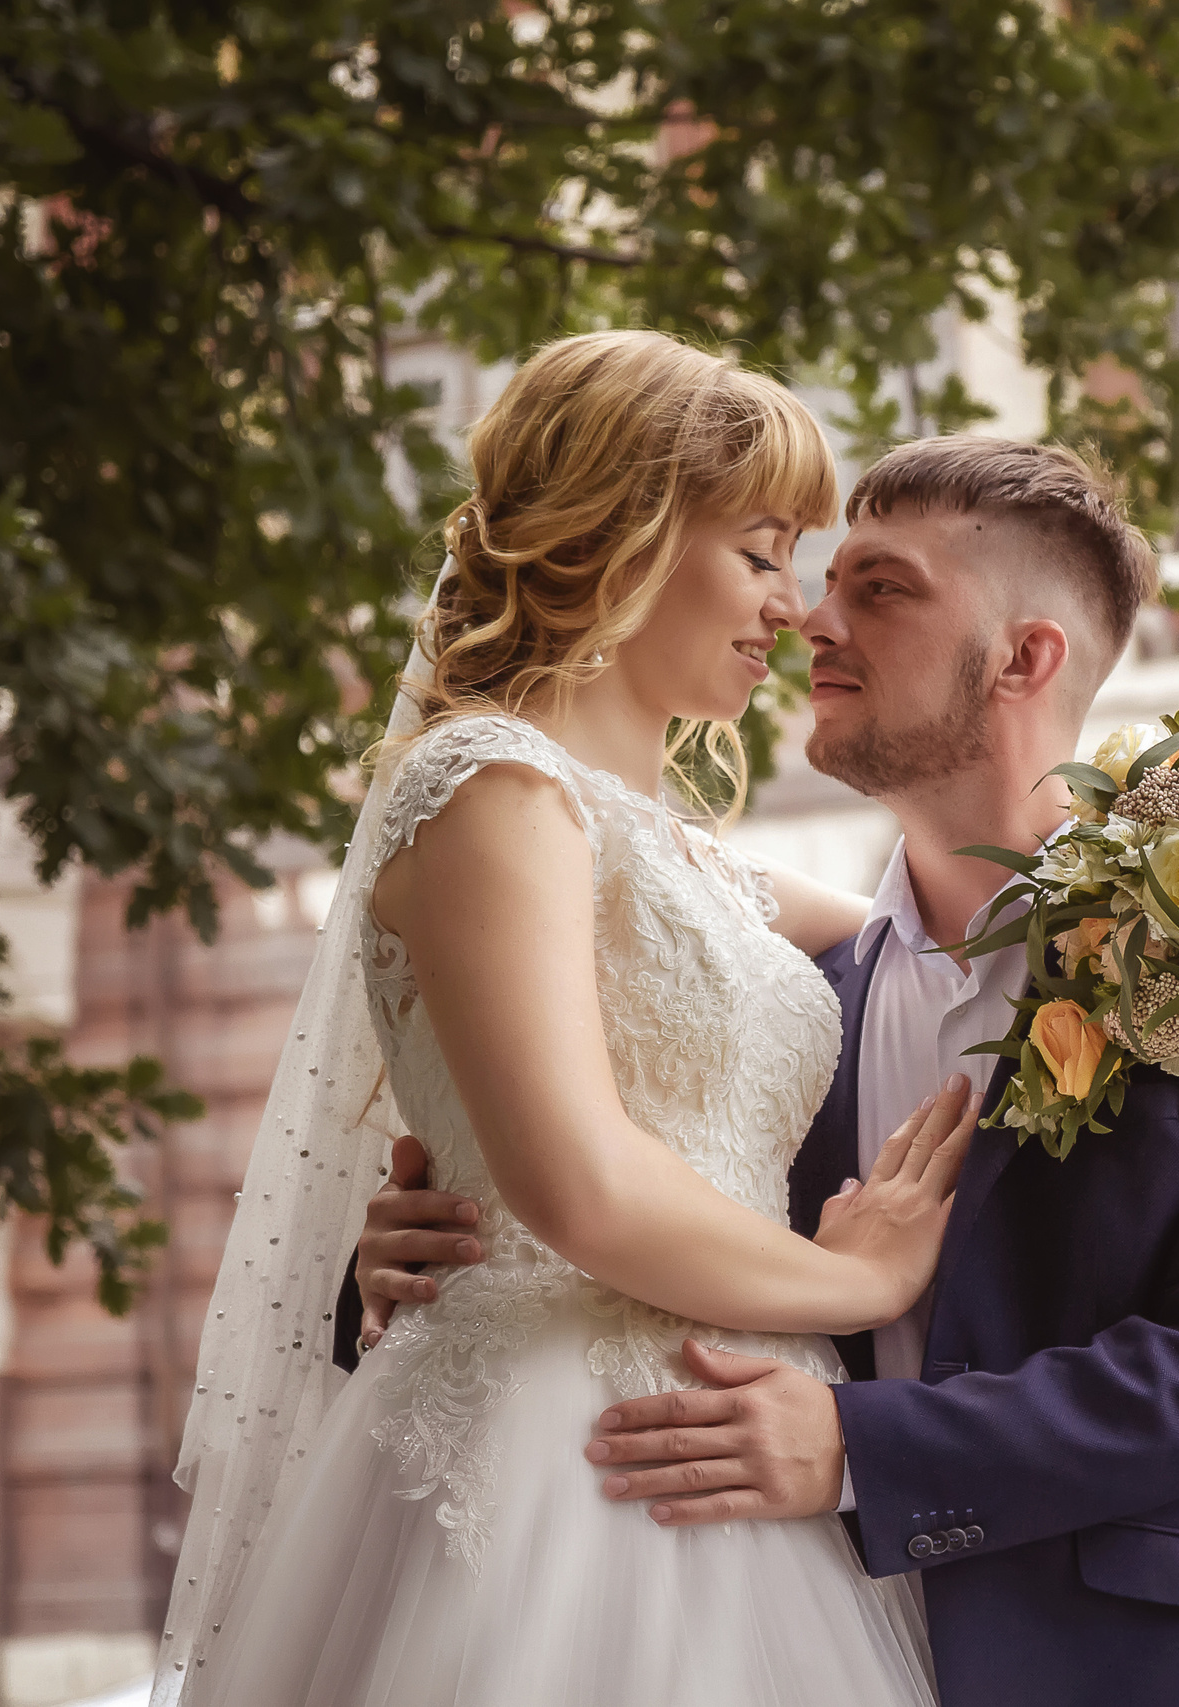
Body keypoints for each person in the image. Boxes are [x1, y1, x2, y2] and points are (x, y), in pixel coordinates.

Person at [357, 433, 1179, 1705]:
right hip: (761, 1639)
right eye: (819, 578)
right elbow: (626, 1233)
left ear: (1023, 658)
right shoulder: (787, 1006)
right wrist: (416, 1258)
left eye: (880, 589)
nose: (811, 619)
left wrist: (861, 1450)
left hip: (1147, 1664)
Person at [152, 330, 971, 1706]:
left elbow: (948, 925)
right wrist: (863, 1283)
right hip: (563, 1444)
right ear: (625, 531)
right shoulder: (490, 791)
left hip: (745, 1444)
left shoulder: (686, 860)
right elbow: (576, 1184)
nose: (791, 609)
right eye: (760, 554)